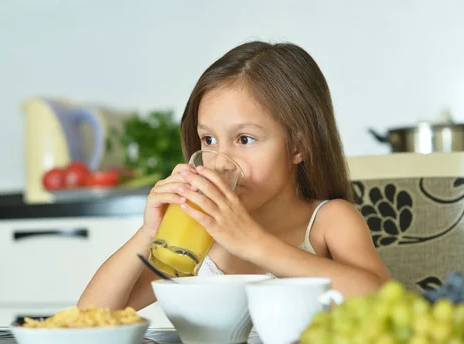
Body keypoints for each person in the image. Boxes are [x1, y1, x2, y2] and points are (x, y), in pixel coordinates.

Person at [78, 41, 390, 311]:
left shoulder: (328, 222)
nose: (221, 163)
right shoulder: (199, 231)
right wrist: (147, 233)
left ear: (298, 146)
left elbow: (382, 301)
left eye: (244, 139)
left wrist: (253, 243)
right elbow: (92, 315)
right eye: (208, 140)